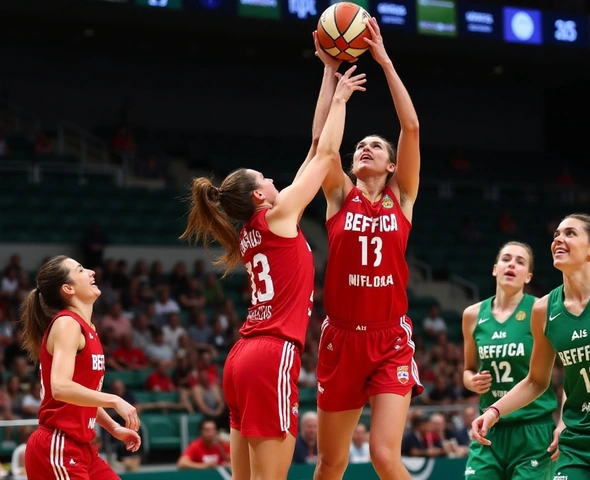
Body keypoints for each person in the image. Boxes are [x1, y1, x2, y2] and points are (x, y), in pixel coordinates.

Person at [179, 65, 365, 480]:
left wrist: (328, 71)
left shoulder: (253, 229)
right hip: (271, 355)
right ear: (260, 195)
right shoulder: (279, 215)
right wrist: (340, 99)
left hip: (241, 358)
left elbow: (317, 145)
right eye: (265, 178)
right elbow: (328, 155)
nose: (274, 178)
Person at [310, 17, 422, 480]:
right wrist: (329, 73)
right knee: (331, 463)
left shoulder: (402, 197)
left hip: (389, 339)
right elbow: (321, 146)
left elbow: (411, 126)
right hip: (341, 340)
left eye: (376, 146)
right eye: (361, 145)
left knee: (382, 455)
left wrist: (385, 61)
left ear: (392, 164)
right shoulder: (339, 196)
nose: (366, 148)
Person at [472, 213, 590, 480]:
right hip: (576, 439)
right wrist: (493, 411)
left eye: (570, 233)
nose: (559, 239)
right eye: (556, 235)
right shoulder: (543, 309)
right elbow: (535, 381)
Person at [20, 255, 141, 480]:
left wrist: (113, 428)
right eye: (80, 270)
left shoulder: (87, 327)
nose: (91, 272)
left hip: (82, 448)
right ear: (68, 288)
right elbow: (61, 387)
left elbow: (81, 395)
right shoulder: (67, 324)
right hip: (58, 446)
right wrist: (115, 400)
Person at [462, 241, 558, 479]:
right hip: (488, 428)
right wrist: (472, 382)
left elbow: (570, 369)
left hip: (532, 429)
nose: (512, 264)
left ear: (528, 276)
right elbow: (468, 370)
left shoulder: (540, 309)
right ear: (495, 269)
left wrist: (564, 422)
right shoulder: (472, 315)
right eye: (506, 259)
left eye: (520, 261)